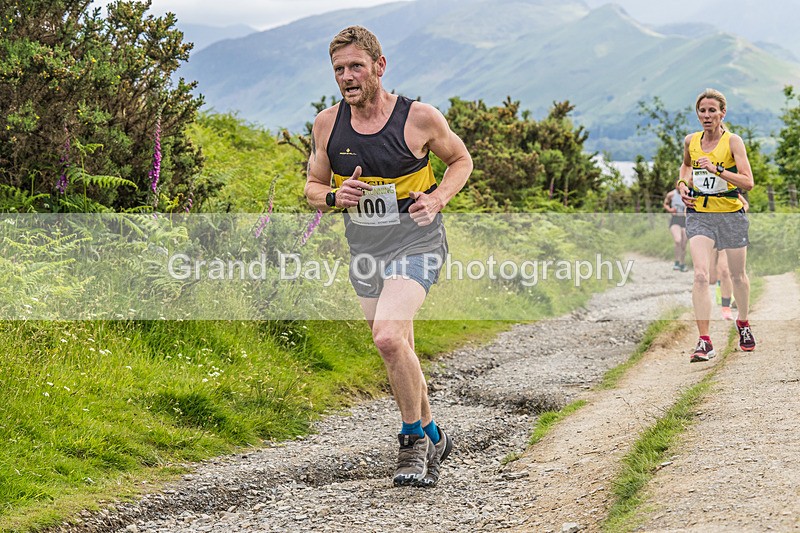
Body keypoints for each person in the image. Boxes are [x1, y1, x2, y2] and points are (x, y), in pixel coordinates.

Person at [304, 26, 472, 487]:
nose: (347, 77)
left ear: (380, 66)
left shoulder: (418, 118)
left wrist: (437, 198)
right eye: (339, 69)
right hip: (365, 251)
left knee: (387, 337)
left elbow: (461, 160)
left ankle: (413, 441)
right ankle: (436, 432)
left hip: (417, 242)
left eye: (356, 66)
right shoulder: (327, 124)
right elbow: (312, 190)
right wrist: (337, 195)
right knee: (401, 348)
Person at [677, 88, 756, 362]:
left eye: (712, 111)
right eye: (702, 110)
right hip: (700, 213)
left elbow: (748, 182)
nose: (707, 115)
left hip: (731, 214)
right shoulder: (691, 141)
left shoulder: (733, 142)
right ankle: (704, 341)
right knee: (700, 275)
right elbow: (685, 167)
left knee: (737, 276)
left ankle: (743, 323)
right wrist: (682, 184)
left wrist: (718, 170)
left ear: (723, 113)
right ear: (697, 114)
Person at [709, 193, 749, 321]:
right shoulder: (701, 190)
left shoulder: (729, 190)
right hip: (708, 231)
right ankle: (725, 293)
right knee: (712, 277)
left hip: (727, 229)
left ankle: (726, 307)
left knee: (725, 270)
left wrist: (735, 216)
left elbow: (745, 204)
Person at [663, 188, 688, 271]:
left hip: (685, 220)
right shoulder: (671, 194)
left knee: (684, 244)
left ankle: (682, 263)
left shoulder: (688, 193)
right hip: (675, 220)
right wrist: (670, 209)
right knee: (678, 240)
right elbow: (665, 204)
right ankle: (676, 262)